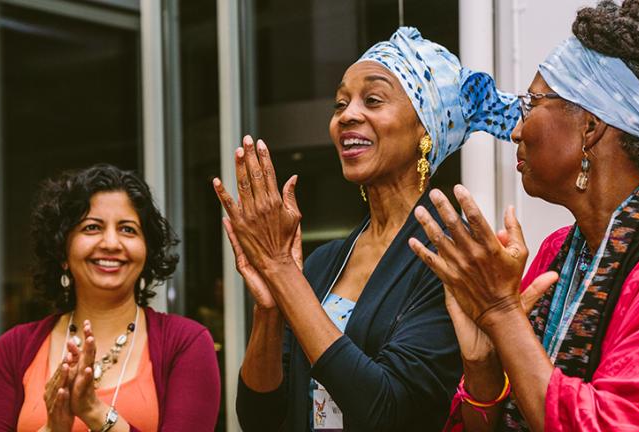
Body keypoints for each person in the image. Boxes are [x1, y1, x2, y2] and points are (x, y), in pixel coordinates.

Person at [408, 1, 639, 431]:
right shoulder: (557, 252)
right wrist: (482, 361)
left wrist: (502, 311)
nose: (517, 129)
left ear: (590, 126)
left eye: (532, 102)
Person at [212, 27, 521, 431]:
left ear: (424, 130)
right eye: (340, 103)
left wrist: (282, 272)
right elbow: (259, 418)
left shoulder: (453, 259)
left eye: (372, 100)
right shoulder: (324, 263)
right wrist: (271, 308)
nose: (347, 115)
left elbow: (387, 410)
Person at [0, 164, 221, 431]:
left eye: (128, 229)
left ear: (147, 251)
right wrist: (52, 429)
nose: (111, 243)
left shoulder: (186, 344)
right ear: (62, 252)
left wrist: (94, 411)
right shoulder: (13, 350)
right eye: (92, 227)